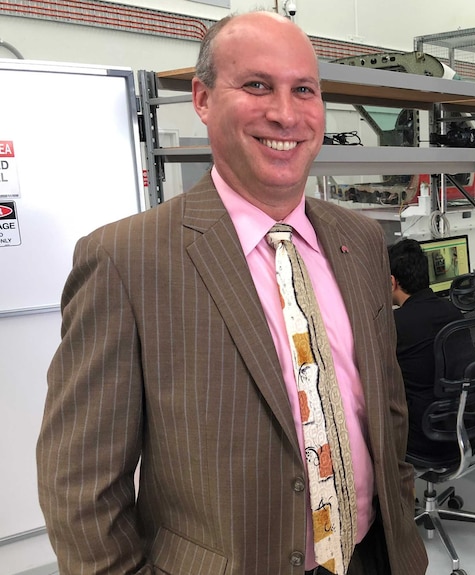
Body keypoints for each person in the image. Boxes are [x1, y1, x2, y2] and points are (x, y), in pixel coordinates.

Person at [36, 12, 427, 575]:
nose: (285, 114)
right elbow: (80, 484)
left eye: (304, 91)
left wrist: (402, 534)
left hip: (370, 555)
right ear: (202, 98)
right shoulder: (125, 260)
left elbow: (385, 410)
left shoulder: (361, 240)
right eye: (257, 85)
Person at [388, 238, 464, 458]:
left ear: (392, 282)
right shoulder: (452, 310)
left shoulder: (396, 323)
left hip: (423, 436)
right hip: (462, 426)